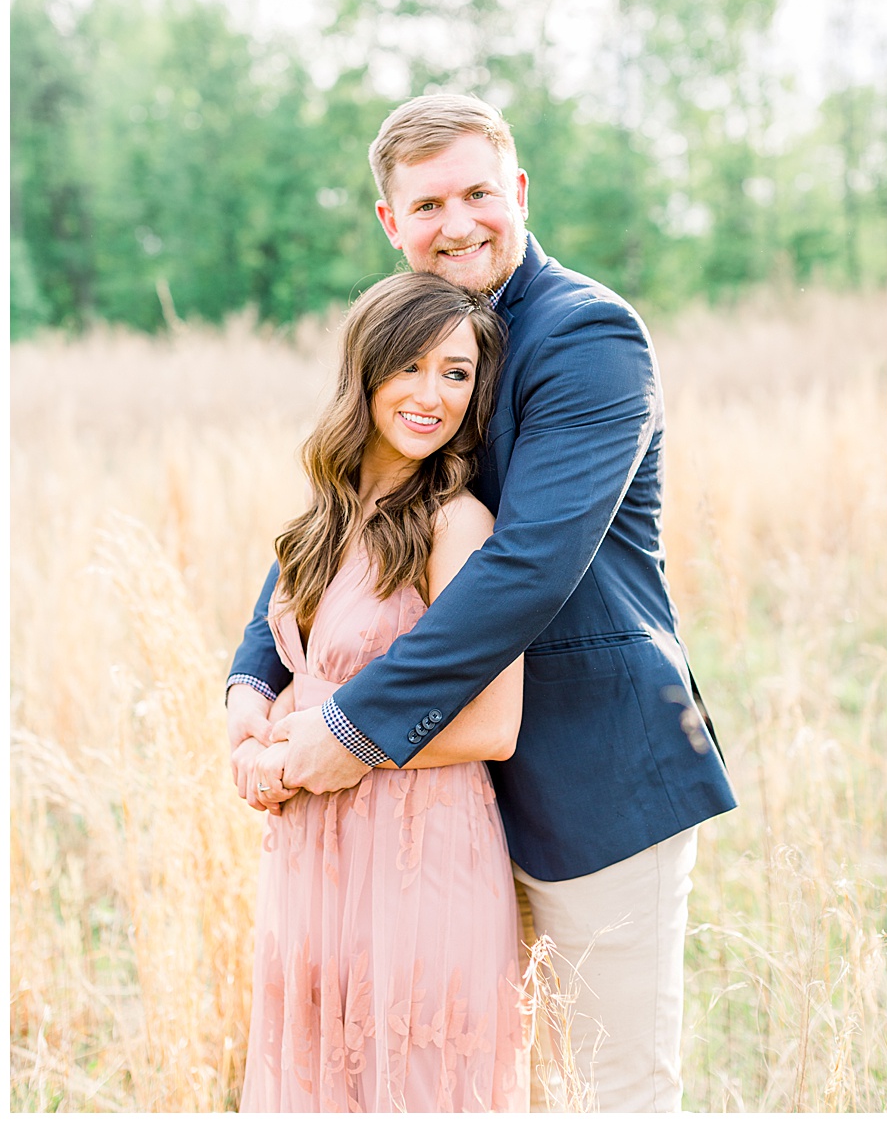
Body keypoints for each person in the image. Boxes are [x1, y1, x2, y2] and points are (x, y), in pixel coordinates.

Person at [226, 94, 736, 1110]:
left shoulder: (590, 337)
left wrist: (349, 727)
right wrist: (253, 674)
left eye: (477, 192)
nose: (456, 222)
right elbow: (347, 508)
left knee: (612, 1091)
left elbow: (528, 569)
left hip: (599, 782)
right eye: (427, 203)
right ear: (390, 223)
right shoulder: (418, 338)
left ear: (519, 192)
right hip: (437, 812)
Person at [234, 270, 526, 1109]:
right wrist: (257, 736)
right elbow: (294, 670)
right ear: (365, 371)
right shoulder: (324, 518)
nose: (433, 395)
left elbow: (495, 727)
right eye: (411, 367)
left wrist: (328, 752)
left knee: (413, 1088)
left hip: (417, 849)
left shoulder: (457, 524)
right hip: (312, 854)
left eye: (458, 373)